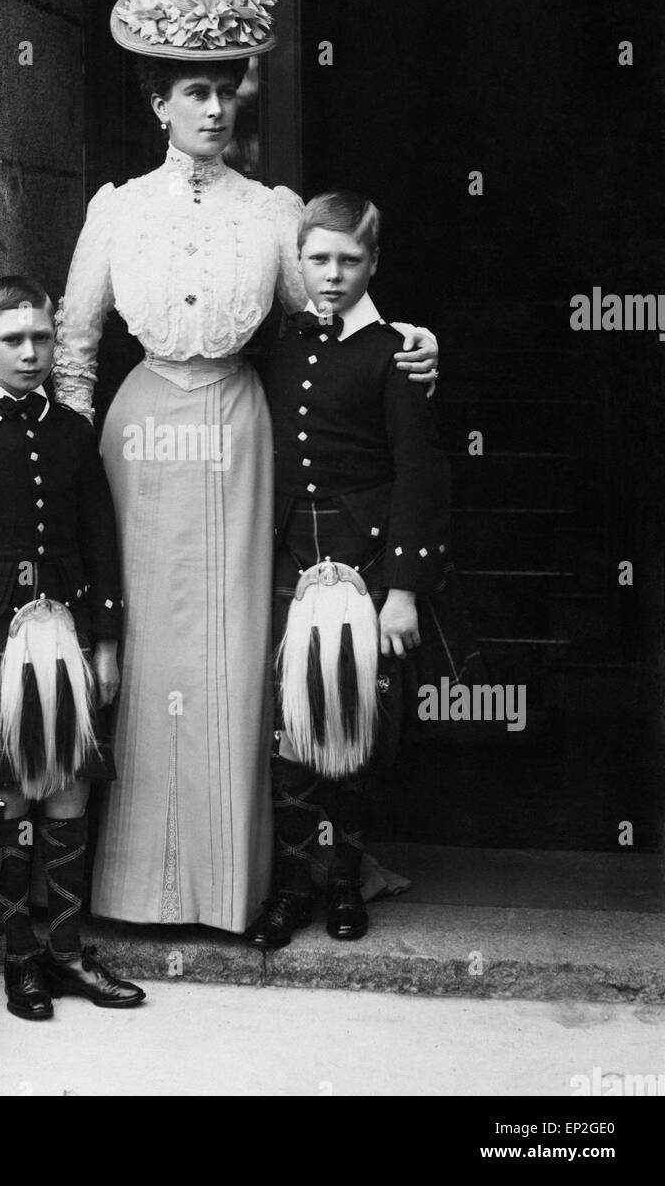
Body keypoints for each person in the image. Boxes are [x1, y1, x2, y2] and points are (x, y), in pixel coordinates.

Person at [53, 0, 439, 934]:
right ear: (156, 102)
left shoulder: (272, 214)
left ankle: (233, 884)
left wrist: (409, 345)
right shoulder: (115, 210)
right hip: (138, 438)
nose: (214, 109)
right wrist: (69, 480)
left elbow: (334, 303)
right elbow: (79, 349)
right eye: (193, 91)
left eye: (226, 90)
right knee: (142, 651)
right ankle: (136, 887)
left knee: (230, 655)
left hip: (236, 433)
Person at [0, 275, 145, 1019]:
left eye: (42, 336)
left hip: (65, 631)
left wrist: (107, 642)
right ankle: (21, 960)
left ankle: (69, 955)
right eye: (14, 339)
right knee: (9, 795)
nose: (32, 351)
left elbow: (102, 543)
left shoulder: (74, 432)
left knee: (68, 781)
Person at [245, 190, 451, 949]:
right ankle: (291, 888)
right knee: (292, 732)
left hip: (366, 566)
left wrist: (402, 593)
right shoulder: (281, 343)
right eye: (319, 259)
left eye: (349, 260)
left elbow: (419, 472)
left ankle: (344, 884)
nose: (332, 275)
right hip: (292, 561)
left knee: (354, 728)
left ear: (374, 263)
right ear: (298, 263)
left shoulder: (396, 349)